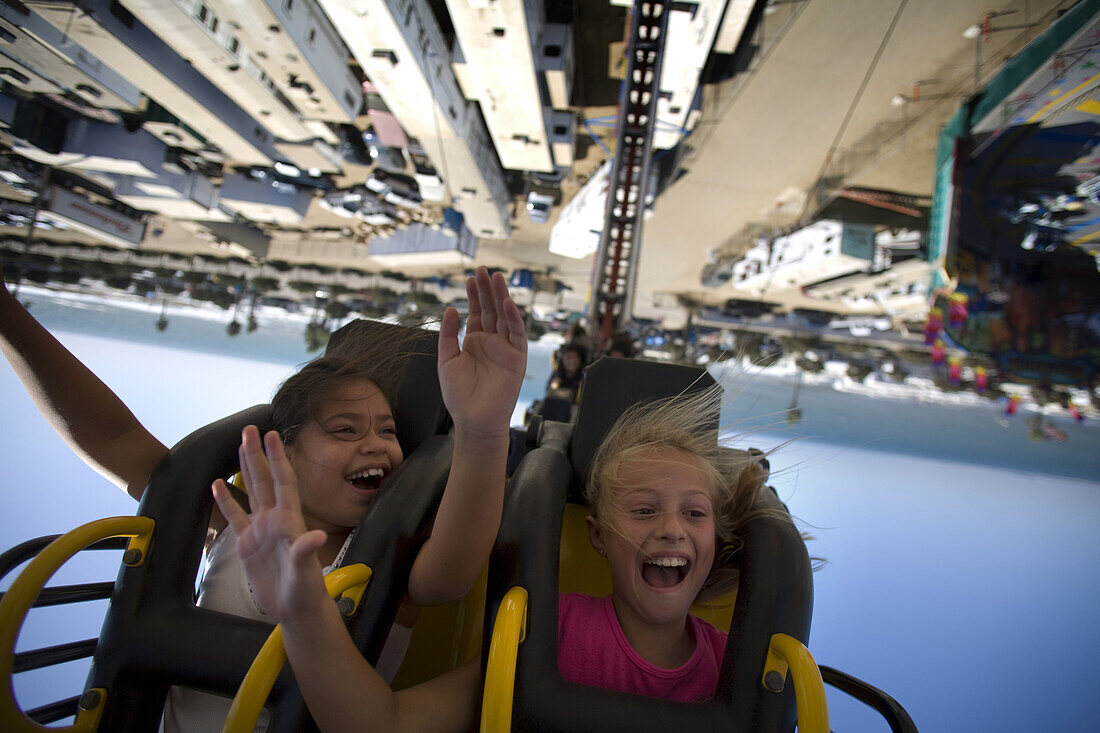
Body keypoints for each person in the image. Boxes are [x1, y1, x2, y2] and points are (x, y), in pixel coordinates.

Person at [0, 263, 527, 730]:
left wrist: (482, 431)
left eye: (388, 432)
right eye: (345, 430)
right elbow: (115, 440)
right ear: (287, 457)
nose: (376, 444)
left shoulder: (388, 553)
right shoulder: (234, 529)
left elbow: (453, 567)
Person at [212, 382, 769, 730]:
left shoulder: (742, 664)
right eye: (644, 511)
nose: (672, 529)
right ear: (597, 536)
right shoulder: (546, 631)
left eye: (695, 514)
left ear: (718, 538)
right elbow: (382, 723)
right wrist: (306, 614)